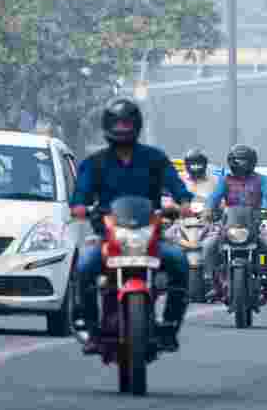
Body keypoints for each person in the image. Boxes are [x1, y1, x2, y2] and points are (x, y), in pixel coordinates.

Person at [70, 98, 194, 353]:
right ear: (108, 126)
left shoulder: (155, 158)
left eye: (127, 123)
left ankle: (170, 326)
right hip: (109, 238)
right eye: (118, 123)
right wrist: (80, 206)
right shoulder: (95, 163)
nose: (123, 128)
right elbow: (80, 195)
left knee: (180, 262)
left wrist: (183, 202)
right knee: (84, 266)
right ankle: (92, 329)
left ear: (136, 125)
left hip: (150, 236)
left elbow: (176, 185)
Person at [203, 144, 267, 303]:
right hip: (229, 225)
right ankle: (215, 285)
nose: (240, 164)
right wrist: (208, 210)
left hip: (254, 225)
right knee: (208, 246)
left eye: (244, 161)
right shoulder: (224, 180)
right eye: (237, 161)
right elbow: (213, 198)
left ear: (251, 162)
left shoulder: (261, 179)